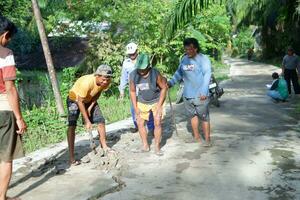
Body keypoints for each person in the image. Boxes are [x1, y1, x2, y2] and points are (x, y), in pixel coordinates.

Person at [0, 16, 27, 200]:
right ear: (5, 35)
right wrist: (19, 117)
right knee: (5, 158)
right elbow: (10, 89)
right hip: (3, 110)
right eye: (9, 37)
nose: (8, 41)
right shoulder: (6, 54)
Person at [168, 38, 212, 147]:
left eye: (190, 49)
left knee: (204, 117)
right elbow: (179, 73)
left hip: (200, 94)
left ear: (196, 48)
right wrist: (170, 83)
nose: (188, 51)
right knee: (192, 116)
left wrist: (204, 91)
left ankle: (207, 140)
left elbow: (207, 75)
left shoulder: (203, 59)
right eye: (186, 49)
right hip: (187, 94)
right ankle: (196, 137)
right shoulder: (184, 59)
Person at [66, 64, 113, 166]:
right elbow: (79, 101)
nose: (105, 82)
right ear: (97, 75)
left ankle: (104, 146)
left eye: (107, 79)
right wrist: (87, 120)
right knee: (72, 125)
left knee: (101, 120)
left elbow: (98, 92)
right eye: (103, 79)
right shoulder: (87, 82)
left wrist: (90, 107)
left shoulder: (107, 81)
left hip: (89, 100)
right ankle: (71, 157)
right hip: (74, 100)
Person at [129, 53, 167, 155]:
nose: (141, 71)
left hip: (156, 100)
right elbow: (132, 91)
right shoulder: (133, 75)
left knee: (157, 122)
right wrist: (135, 107)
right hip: (142, 101)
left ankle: (157, 147)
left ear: (148, 66)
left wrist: (159, 106)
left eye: (143, 69)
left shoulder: (155, 73)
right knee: (140, 123)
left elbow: (164, 88)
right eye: (139, 69)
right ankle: (145, 146)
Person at [119, 42, 154, 133]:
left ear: (137, 51)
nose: (131, 55)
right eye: (130, 54)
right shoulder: (126, 63)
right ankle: (137, 125)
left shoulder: (143, 59)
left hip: (145, 88)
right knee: (134, 108)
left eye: (133, 53)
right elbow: (124, 77)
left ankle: (151, 127)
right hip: (133, 89)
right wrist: (121, 90)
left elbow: (150, 72)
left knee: (148, 108)